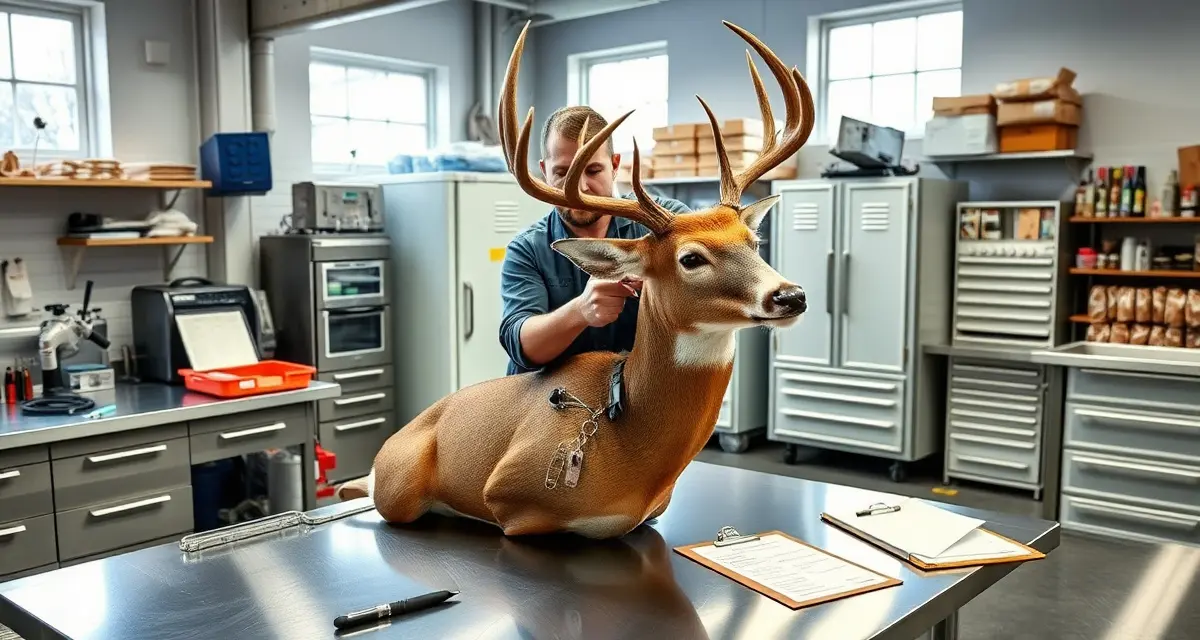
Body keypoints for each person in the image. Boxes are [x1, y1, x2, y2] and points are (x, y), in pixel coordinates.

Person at [499, 105, 691, 375]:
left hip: (638, 402)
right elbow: (521, 346)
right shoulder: (528, 249)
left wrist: (659, 282)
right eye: (563, 172)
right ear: (544, 171)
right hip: (548, 406)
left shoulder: (667, 223)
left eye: (592, 170)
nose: (579, 188)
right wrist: (580, 311)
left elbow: (709, 279)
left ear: (614, 166)